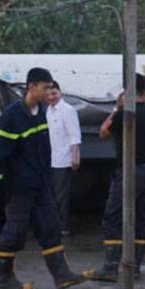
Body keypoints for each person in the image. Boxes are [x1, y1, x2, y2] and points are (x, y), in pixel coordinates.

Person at [0, 67, 86, 289]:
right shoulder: (13, 115)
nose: (49, 92)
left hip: (41, 184)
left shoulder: (42, 111)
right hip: (20, 187)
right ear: (31, 87)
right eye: (45, 87)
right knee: (14, 232)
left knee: (51, 226)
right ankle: (5, 280)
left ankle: (62, 275)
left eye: (51, 87)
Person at [84, 74, 145, 281]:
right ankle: (135, 267)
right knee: (142, 217)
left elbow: (103, 132)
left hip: (128, 171)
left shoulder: (124, 114)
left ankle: (110, 268)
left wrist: (117, 109)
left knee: (114, 215)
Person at [45, 80, 81, 235]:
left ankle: (63, 227)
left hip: (64, 160)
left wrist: (75, 157)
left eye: (54, 93)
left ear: (60, 92)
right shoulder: (48, 110)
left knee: (61, 196)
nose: (51, 97)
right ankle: (55, 224)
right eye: (48, 95)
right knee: (52, 195)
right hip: (52, 159)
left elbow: (74, 135)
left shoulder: (67, 110)